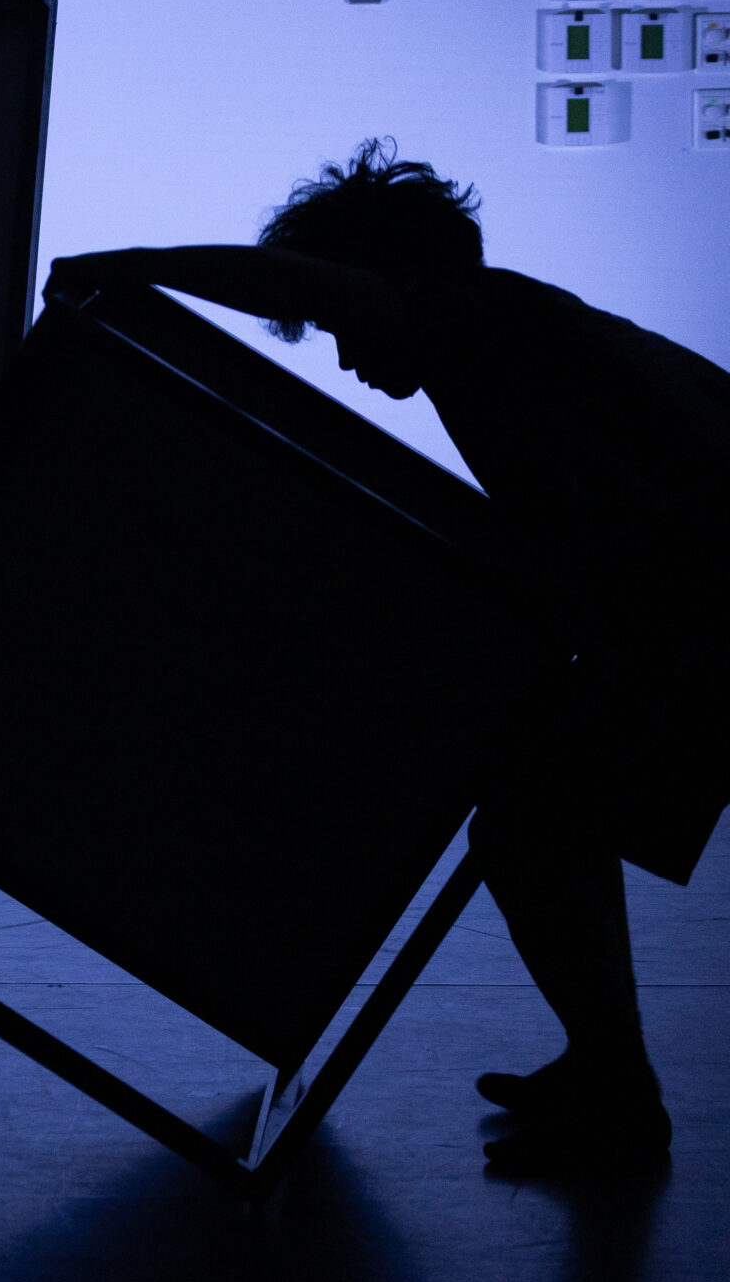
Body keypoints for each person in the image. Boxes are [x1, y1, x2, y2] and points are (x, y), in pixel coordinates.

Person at [46, 138, 730, 1173]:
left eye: (337, 324)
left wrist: (119, 267)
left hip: (704, 597)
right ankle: (610, 1073)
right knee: (545, 819)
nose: (344, 355)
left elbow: (306, 287)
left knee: (533, 825)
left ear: (390, 276)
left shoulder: (470, 314)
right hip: (689, 599)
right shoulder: (507, 334)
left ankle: (617, 1087)